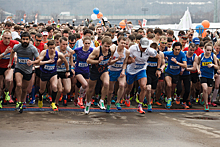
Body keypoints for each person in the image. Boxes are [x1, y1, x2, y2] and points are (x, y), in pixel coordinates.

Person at [125, 37, 161, 114]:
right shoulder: (132, 48)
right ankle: (127, 96)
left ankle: (140, 106)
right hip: (131, 70)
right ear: (139, 45)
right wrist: (130, 61)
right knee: (129, 87)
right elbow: (126, 60)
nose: (144, 49)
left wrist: (158, 69)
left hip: (142, 69)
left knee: (143, 86)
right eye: (142, 48)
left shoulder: (150, 50)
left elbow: (159, 57)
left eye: (145, 48)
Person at [8, 32, 40, 113]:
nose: (25, 41)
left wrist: (32, 62)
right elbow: (12, 52)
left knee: (24, 89)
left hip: (28, 70)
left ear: (29, 40)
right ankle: (18, 102)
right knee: (18, 84)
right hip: (19, 68)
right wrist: (10, 63)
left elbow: (38, 59)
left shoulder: (33, 48)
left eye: (26, 39)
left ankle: (22, 102)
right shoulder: (17, 47)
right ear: (21, 39)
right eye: (23, 39)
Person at [84, 36, 117, 114]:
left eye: (108, 46)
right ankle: (88, 103)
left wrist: (110, 59)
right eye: (105, 46)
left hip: (103, 70)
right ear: (101, 44)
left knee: (106, 83)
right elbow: (88, 60)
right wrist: (98, 61)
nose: (106, 48)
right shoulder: (97, 51)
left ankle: (101, 100)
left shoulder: (111, 50)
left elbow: (115, 46)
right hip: (95, 70)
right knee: (91, 89)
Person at [38, 40, 70, 111]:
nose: (52, 50)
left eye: (53, 48)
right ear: (47, 47)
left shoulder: (58, 54)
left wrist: (67, 70)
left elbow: (65, 61)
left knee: (55, 87)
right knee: (42, 90)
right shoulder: (44, 53)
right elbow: (38, 62)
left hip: (53, 72)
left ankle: (53, 103)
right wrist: (47, 61)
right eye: (50, 48)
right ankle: (40, 98)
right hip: (44, 72)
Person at [106, 36, 130, 112]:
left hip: (120, 71)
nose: (123, 45)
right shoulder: (113, 50)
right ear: (118, 42)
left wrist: (123, 70)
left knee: (122, 85)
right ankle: (108, 104)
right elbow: (109, 63)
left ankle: (118, 101)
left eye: (124, 43)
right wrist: (117, 59)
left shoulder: (126, 52)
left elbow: (125, 62)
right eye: (122, 43)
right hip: (112, 70)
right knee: (110, 91)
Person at [71, 37, 93, 109]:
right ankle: (80, 98)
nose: (87, 45)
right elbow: (71, 53)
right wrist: (72, 64)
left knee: (85, 86)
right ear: (83, 43)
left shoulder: (91, 50)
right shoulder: (78, 49)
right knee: (85, 84)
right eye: (85, 43)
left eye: (88, 43)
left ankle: (79, 98)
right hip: (78, 70)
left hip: (86, 70)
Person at [163, 42, 187, 109]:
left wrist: (176, 62)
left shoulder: (182, 54)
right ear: (173, 49)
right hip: (168, 72)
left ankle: (168, 97)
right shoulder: (169, 53)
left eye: (178, 49)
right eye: (175, 49)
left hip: (176, 74)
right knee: (169, 85)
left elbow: (185, 65)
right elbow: (161, 54)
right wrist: (163, 59)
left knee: (173, 89)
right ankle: (169, 99)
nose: (177, 51)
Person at [196, 43, 219, 111]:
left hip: (210, 75)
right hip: (203, 74)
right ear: (204, 49)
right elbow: (197, 64)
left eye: (210, 50)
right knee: (205, 88)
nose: (208, 52)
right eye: (207, 50)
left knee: (208, 92)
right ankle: (206, 104)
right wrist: (198, 70)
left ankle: (202, 96)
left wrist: (213, 65)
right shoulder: (201, 56)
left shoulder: (213, 56)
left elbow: (217, 66)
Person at [0, 30, 19, 108]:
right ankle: (1, 100)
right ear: (2, 37)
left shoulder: (15, 43)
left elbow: (23, 48)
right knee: (0, 86)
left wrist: (16, 55)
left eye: (8, 38)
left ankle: (7, 91)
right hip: (0, 66)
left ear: (11, 38)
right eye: (5, 38)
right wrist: (4, 53)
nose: (6, 40)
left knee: (9, 80)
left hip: (9, 66)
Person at [176, 43, 198, 109]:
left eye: (193, 50)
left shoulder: (195, 56)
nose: (191, 51)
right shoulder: (183, 53)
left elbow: (194, 68)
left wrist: (185, 68)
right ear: (188, 48)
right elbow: (178, 62)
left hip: (187, 74)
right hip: (180, 73)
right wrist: (181, 68)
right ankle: (177, 95)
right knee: (179, 88)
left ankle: (184, 102)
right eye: (191, 50)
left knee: (188, 90)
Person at [145, 42, 165, 112]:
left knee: (152, 91)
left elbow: (163, 64)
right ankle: (149, 104)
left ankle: (148, 98)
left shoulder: (160, 55)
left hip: (155, 74)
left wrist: (159, 69)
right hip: (147, 73)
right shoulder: (147, 54)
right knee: (148, 88)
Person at [55, 37, 75, 107]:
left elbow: (72, 55)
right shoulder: (56, 50)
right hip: (57, 71)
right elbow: (58, 63)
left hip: (65, 70)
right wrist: (64, 57)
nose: (65, 46)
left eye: (66, 44)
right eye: (63, 44)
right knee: (60, 89)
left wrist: (72, 67)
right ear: (60, 43)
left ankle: (64, 96)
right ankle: (56, 102)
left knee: (67, 89)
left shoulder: (68, 49)